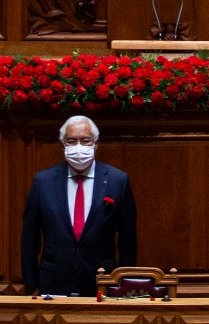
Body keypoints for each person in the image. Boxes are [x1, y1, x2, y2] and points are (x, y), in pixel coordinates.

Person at [20, 115, 138, 297]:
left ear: (96, 144)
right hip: (54, 280)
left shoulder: (118, 181)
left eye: (85, 140)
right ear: (62, 145)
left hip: (102, 281)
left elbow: (128, 240)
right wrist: (30, 282)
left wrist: (123, 283)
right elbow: (30, 237)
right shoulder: (43, 181)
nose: (79, 146)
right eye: (71, 141)